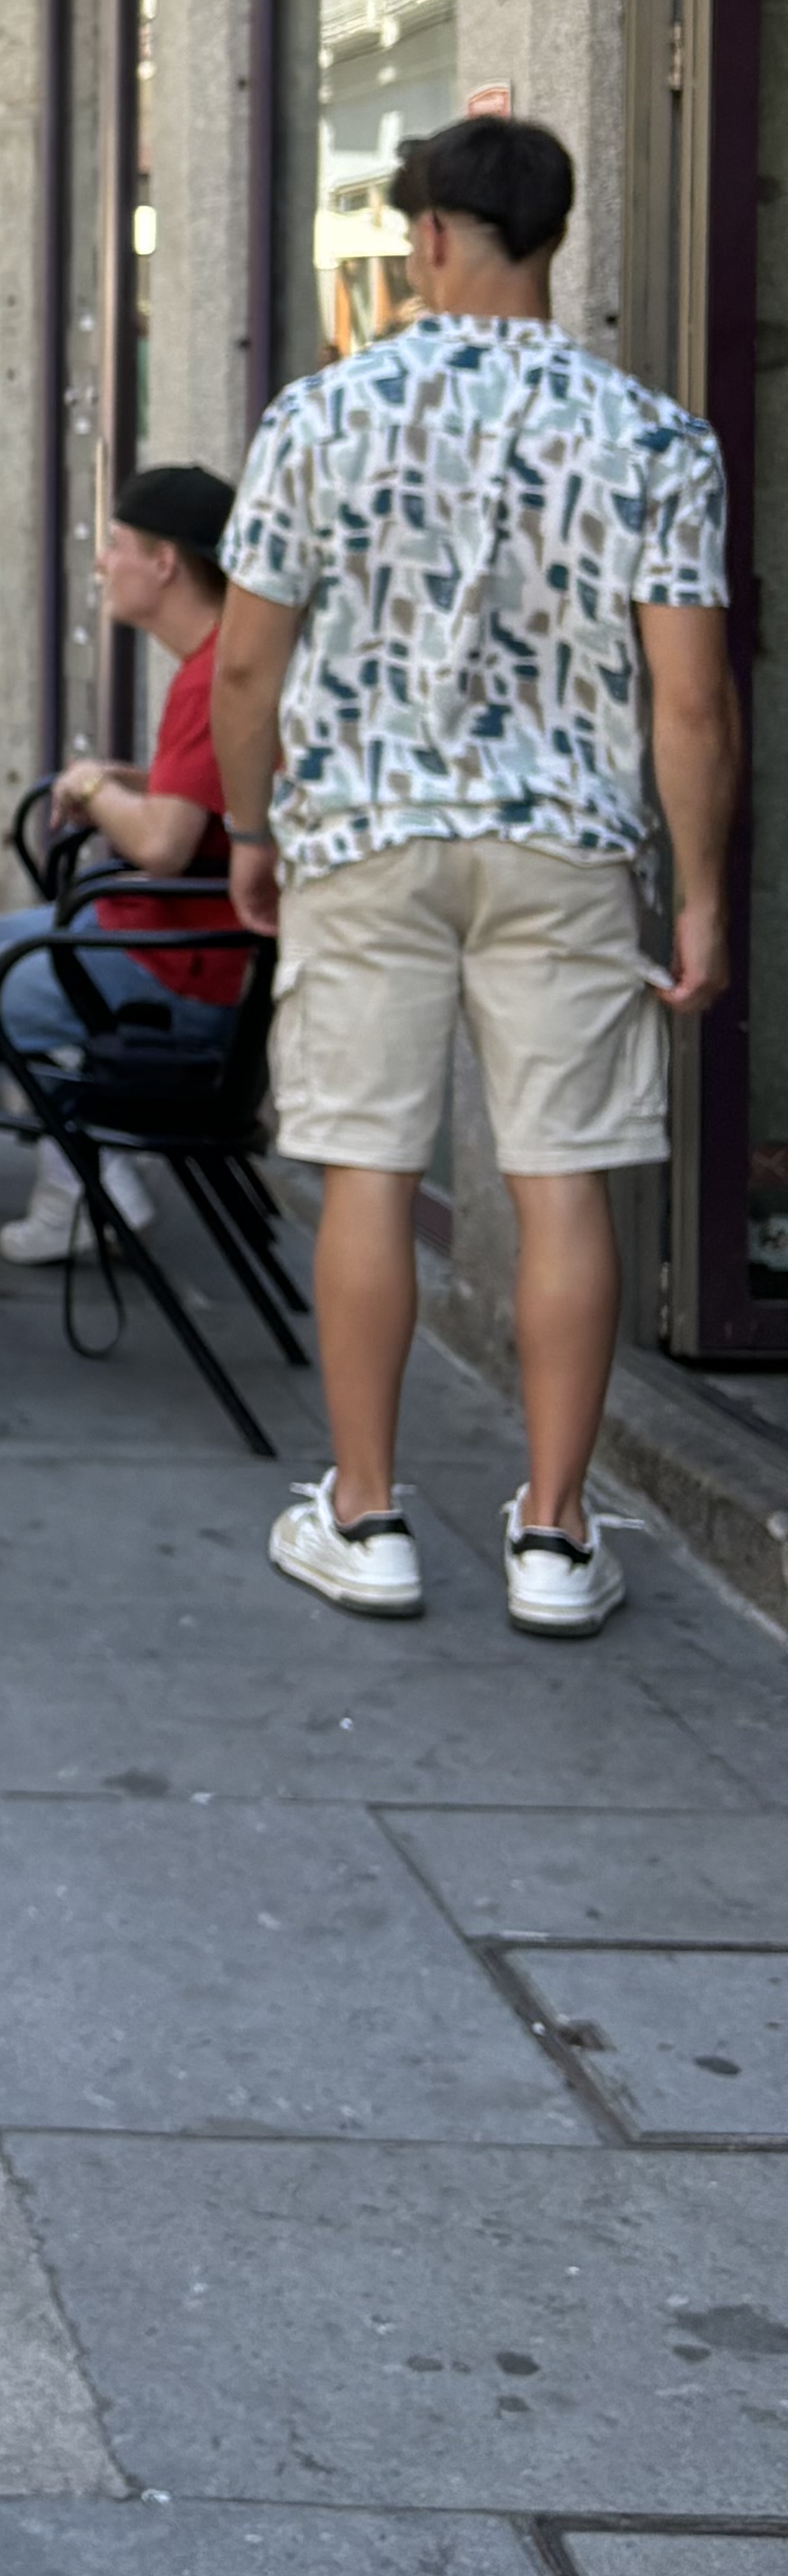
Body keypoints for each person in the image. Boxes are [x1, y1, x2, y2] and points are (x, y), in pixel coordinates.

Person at [216, 115, 738, 1637]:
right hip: (565, 841)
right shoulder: (654, 437)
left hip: (365, 831)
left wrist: (249, 828)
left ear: (432, 237)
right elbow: (691, 700)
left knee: (368, 1167)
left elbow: (245, 663)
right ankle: (556, 1537)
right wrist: (701, 892)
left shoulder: (321, 416)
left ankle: (367, 1514)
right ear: (553, 238)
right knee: (561, 1176)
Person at [0, 463, 245, 1264]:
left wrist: (95, 786)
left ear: (164, 562)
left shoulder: (212, 676)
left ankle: (81, 1166)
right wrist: (129, 781)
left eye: (117, 543)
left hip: (173, 970)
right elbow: (200, 803)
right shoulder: (221, 662)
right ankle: (80, 1163)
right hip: (158, 942)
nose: (101, 562)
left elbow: (162, 845)